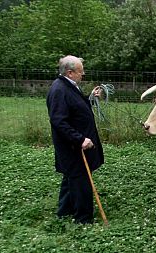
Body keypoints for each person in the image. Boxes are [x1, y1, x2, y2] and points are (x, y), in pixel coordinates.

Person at [46, 55, 104, 224]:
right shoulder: (59, 90)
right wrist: (79, 140)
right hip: (73, 147)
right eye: (80, 71)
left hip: (77, 145)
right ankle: (83, 219)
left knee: (70, 177)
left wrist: (90, 98)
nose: (83, 74)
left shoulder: (70, 86)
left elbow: (76, 106)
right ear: (70, 72)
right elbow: (58, 121)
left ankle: (64, 212)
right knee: (81, 181)